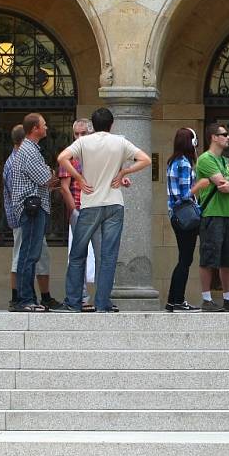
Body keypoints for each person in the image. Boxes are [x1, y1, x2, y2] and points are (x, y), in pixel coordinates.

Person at [55, 107, 151, 313]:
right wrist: (124, 170)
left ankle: (73, 301)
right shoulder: (120, 142)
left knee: (78, 254)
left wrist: (79, 178)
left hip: (90, 204)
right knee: (108, 256)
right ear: (111, 124)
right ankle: (103, 302)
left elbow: (62, 157)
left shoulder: (83, 142)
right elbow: (146, 159)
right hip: (114, 203)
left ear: (93, 124)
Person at [9, 113, 60, 312]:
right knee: (29, 254)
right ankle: (24, 299)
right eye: (44, 125)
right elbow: (47, 178)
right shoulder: (29, 151)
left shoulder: (31, 150)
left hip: (35, 208)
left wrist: (49, 174)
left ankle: (29, 298)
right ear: (35, 129)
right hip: (32, 209)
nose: (46, 128)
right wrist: (51, 174)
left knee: (30, 254)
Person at [194, 123, 229, 312]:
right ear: (213, 137)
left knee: (228, 258)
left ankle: (228, 298)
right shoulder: (206, 159)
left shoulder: (226, 161)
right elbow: (222, 184)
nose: (228, 137)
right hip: (211, 213)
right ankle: (206, 299)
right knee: (209, 256)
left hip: (228, 213)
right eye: (224, 134)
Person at [165, 128, 208, 312]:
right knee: (185, 259)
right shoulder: (183, 163)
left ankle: (172, 300)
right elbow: (183, 195)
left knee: (183, 258)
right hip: (184, 215)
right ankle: (178, 300)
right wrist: (199, 185)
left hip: (176, 215)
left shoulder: (173, 161)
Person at [59, 118, 97, 310]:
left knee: (100, 253)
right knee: (78, 255)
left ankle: (101, 296)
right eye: (77, 133)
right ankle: (81, 296)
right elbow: (64, 188)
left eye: (84, 133)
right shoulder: (70, 156)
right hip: (80, 210)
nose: (80, 137)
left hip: (97, 209)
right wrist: (74, 210)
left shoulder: (96, 155)